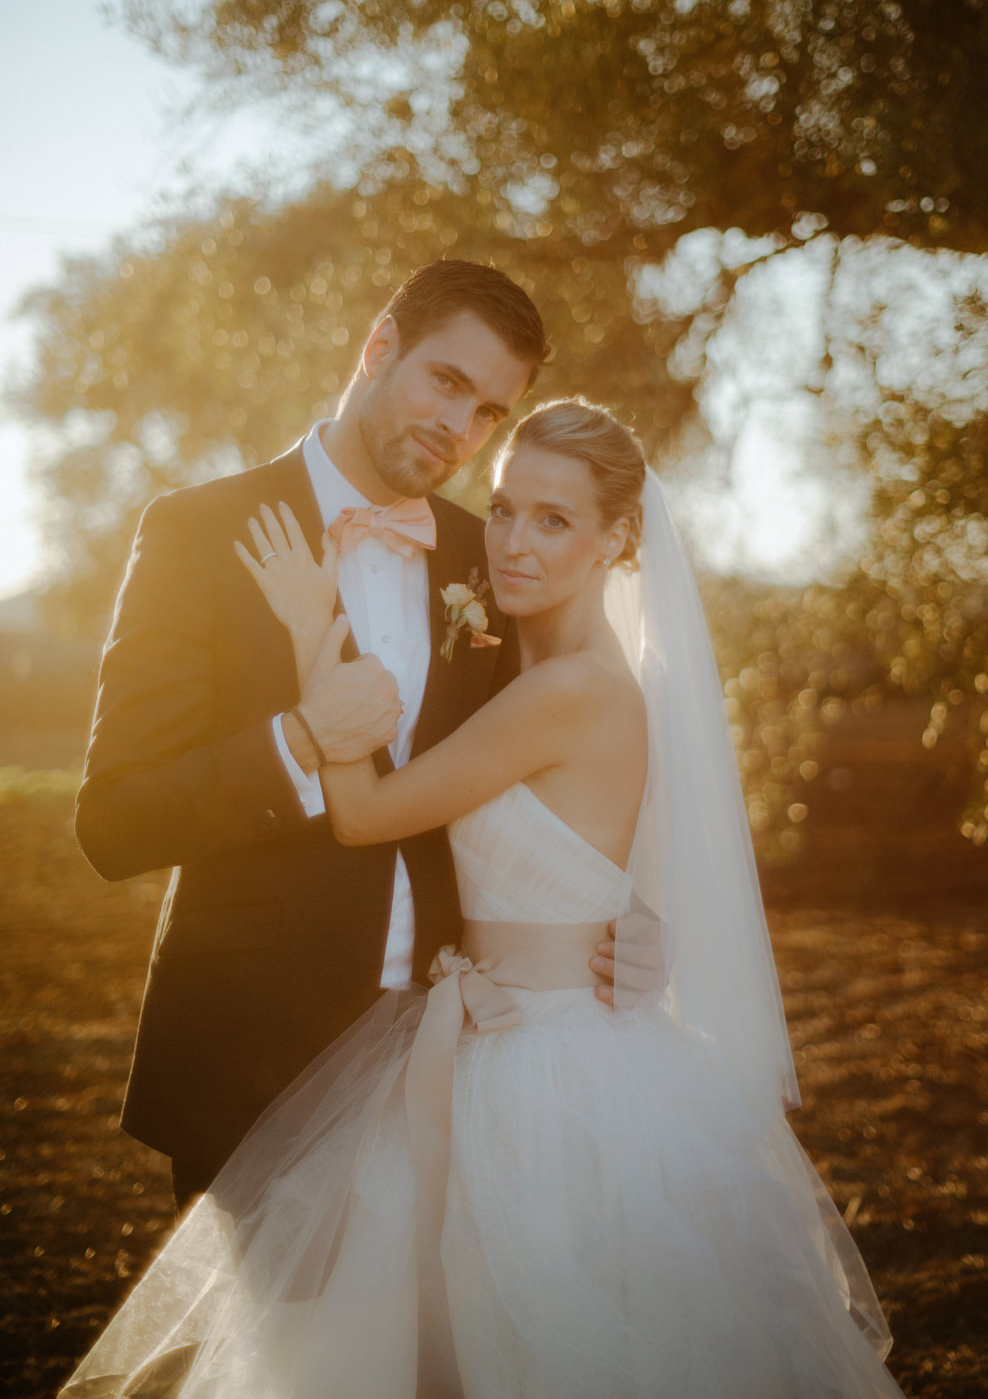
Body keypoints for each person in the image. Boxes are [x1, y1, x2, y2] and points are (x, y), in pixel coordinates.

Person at [62, 400, 905, 1398]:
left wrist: (307, 638)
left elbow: (366, 813)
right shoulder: (525, 665)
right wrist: (628, 917)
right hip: (479, 1036)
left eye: (552, 520)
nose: (508, 541)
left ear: (616, 539)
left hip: (541, 1068)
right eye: (503, 509)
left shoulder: (570, 692)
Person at [75, 259, 624, 1211]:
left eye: (488, 411)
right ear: (378, 349)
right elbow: (115, 823)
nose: (460, 426)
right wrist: (297, 740)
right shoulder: (198, 532)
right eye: (446, 382)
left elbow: (557, 763)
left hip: (455, 1055)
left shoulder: (486, 557)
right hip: (252, 1058)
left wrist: (620, 922)